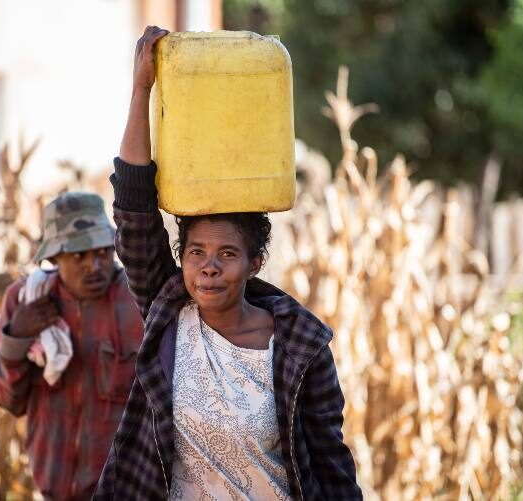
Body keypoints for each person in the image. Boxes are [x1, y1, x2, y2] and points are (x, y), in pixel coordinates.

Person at [94, 26, 362, 500]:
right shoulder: (169, 316)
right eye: (196, 252)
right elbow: (133, 209)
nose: (209, 268)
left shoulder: (301, 348)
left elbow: (331, 463)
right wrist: (141, 89)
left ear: (255, 263)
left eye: (228, 254)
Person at [0, 192, 144, 500]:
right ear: (54, 258)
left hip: (125, 488)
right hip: (54, 487)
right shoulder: (26, 299)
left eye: (102, 252)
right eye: (78, 255)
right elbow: (8, 401)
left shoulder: (136, 299)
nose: (93, 266)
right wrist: (16, 337)